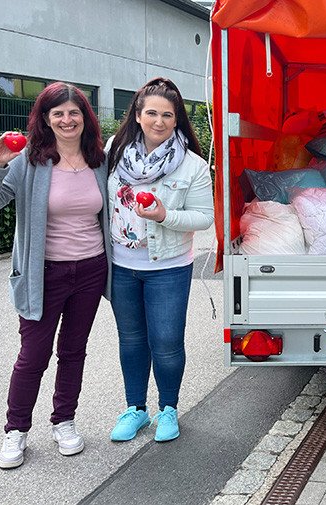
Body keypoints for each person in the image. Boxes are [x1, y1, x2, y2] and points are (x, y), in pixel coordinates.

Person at [0, 82, 110, 469]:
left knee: (73, 351)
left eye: (74, 112)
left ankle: (64, 421)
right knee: (33, 356)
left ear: (85, 117)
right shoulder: (28, 160)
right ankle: (16, 429)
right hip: (43, 274)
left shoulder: (99, 160)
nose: (67, 120)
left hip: (91, 269)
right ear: (45, 120)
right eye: (58, 113)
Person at [105, 77, 213, 443]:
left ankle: (168, 409)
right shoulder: (114, 152)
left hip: (168, 267)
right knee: (131, 340)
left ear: (177, 119)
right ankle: (136, 409)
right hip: (122, 266)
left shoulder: (192, 165)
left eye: (168, 115)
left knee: (166, 342)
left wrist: (166, 215)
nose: (159, 121)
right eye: (151, 113)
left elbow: (204, 217)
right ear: (137, 115)